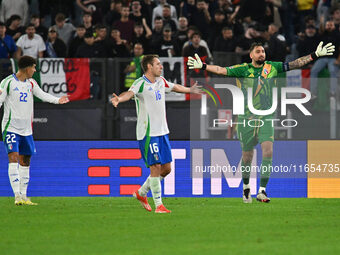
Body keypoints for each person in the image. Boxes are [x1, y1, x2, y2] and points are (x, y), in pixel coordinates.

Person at [187, 41, 335, 203]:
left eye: (263, 51)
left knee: (268, 151)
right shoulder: (243, 69)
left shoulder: (272, 68)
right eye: (258, 52)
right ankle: (245, 187)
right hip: (246, 118)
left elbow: (294, 64)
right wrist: (203, 66)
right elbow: (221, 70)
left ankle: (262, 191)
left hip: (266, 116)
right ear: (251, 55)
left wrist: (315, 55)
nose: (261, 54)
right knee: (247, 156)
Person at [111, 54, 201, 213]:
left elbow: (175, 87)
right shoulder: (140, 83)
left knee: (166, 169)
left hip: (162, 132)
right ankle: (159, 205)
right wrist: (119, 99)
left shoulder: (161, 81)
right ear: (149, 67)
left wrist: (190, 90)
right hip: (148, 133)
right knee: (155, 167)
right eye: (158, 64)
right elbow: (129, 93)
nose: (161, 66)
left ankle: (141, 193)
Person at [0, 55, 69, 205]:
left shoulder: (31, 83)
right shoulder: (8, 83)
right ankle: (17, 196)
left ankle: (24, 196)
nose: (34, 70)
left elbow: (41, 94)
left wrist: (57, 100)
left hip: (26, 130)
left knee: (26, 160)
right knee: (13, 157)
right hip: (11, 127)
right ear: (26, 68)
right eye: (33, 67)